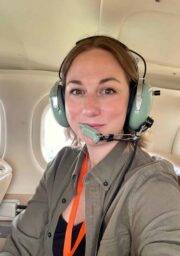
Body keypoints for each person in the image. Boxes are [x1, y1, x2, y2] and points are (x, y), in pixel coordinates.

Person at [1, 35, 180, 256]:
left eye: (108, 90)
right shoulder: (61, 164)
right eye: (77, 91)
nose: (90, 109)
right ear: (61, 104)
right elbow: (20, 245)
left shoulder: (152, 182)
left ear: (135, 102)